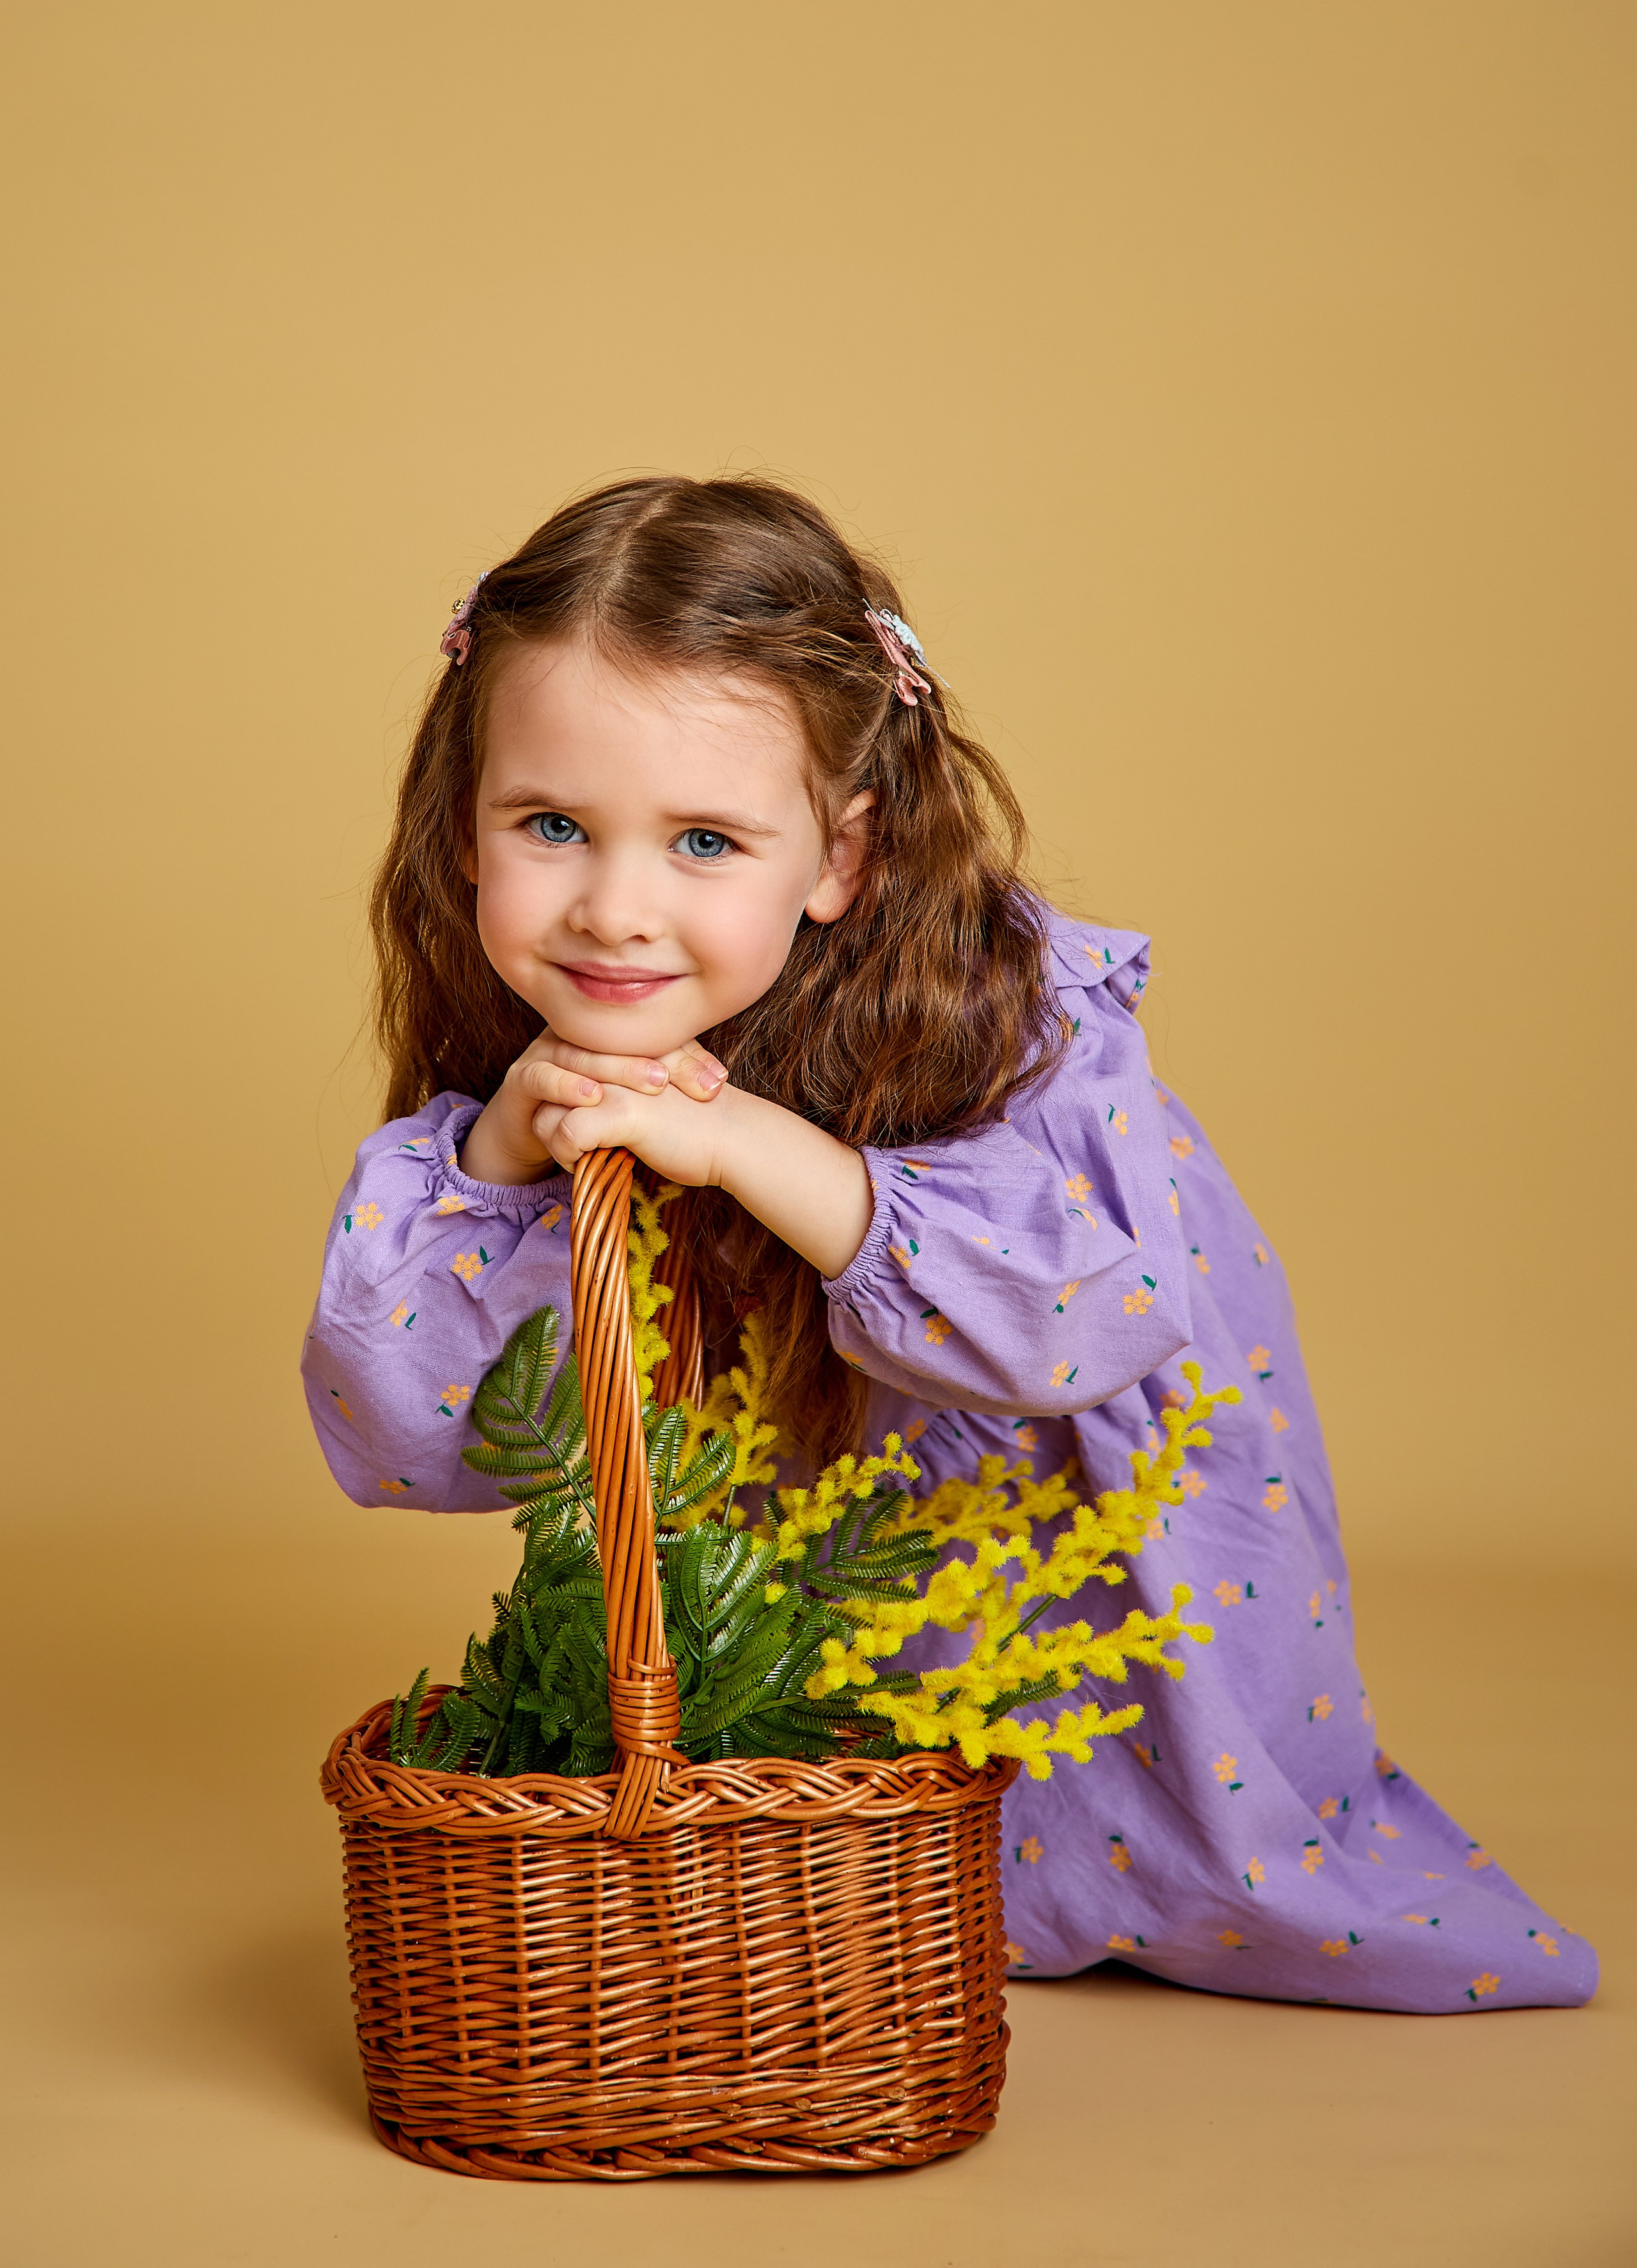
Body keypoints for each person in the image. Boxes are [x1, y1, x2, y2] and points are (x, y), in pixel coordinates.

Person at [304, 473, 1593, 2015]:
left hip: (1070, 1524)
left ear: (837, 859)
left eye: (705, 840)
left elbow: (1084, 1323)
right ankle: (851, 1843)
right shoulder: (524, 1077)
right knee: (802, 1796)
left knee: (1128, 1813)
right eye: (553, 826)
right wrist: (498, 1168)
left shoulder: (1008, 1017)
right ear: (465, 826)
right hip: (824, 1573)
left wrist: (749, 1147)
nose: (614, 909)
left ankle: (1072, 1860)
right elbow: (405, 1448)